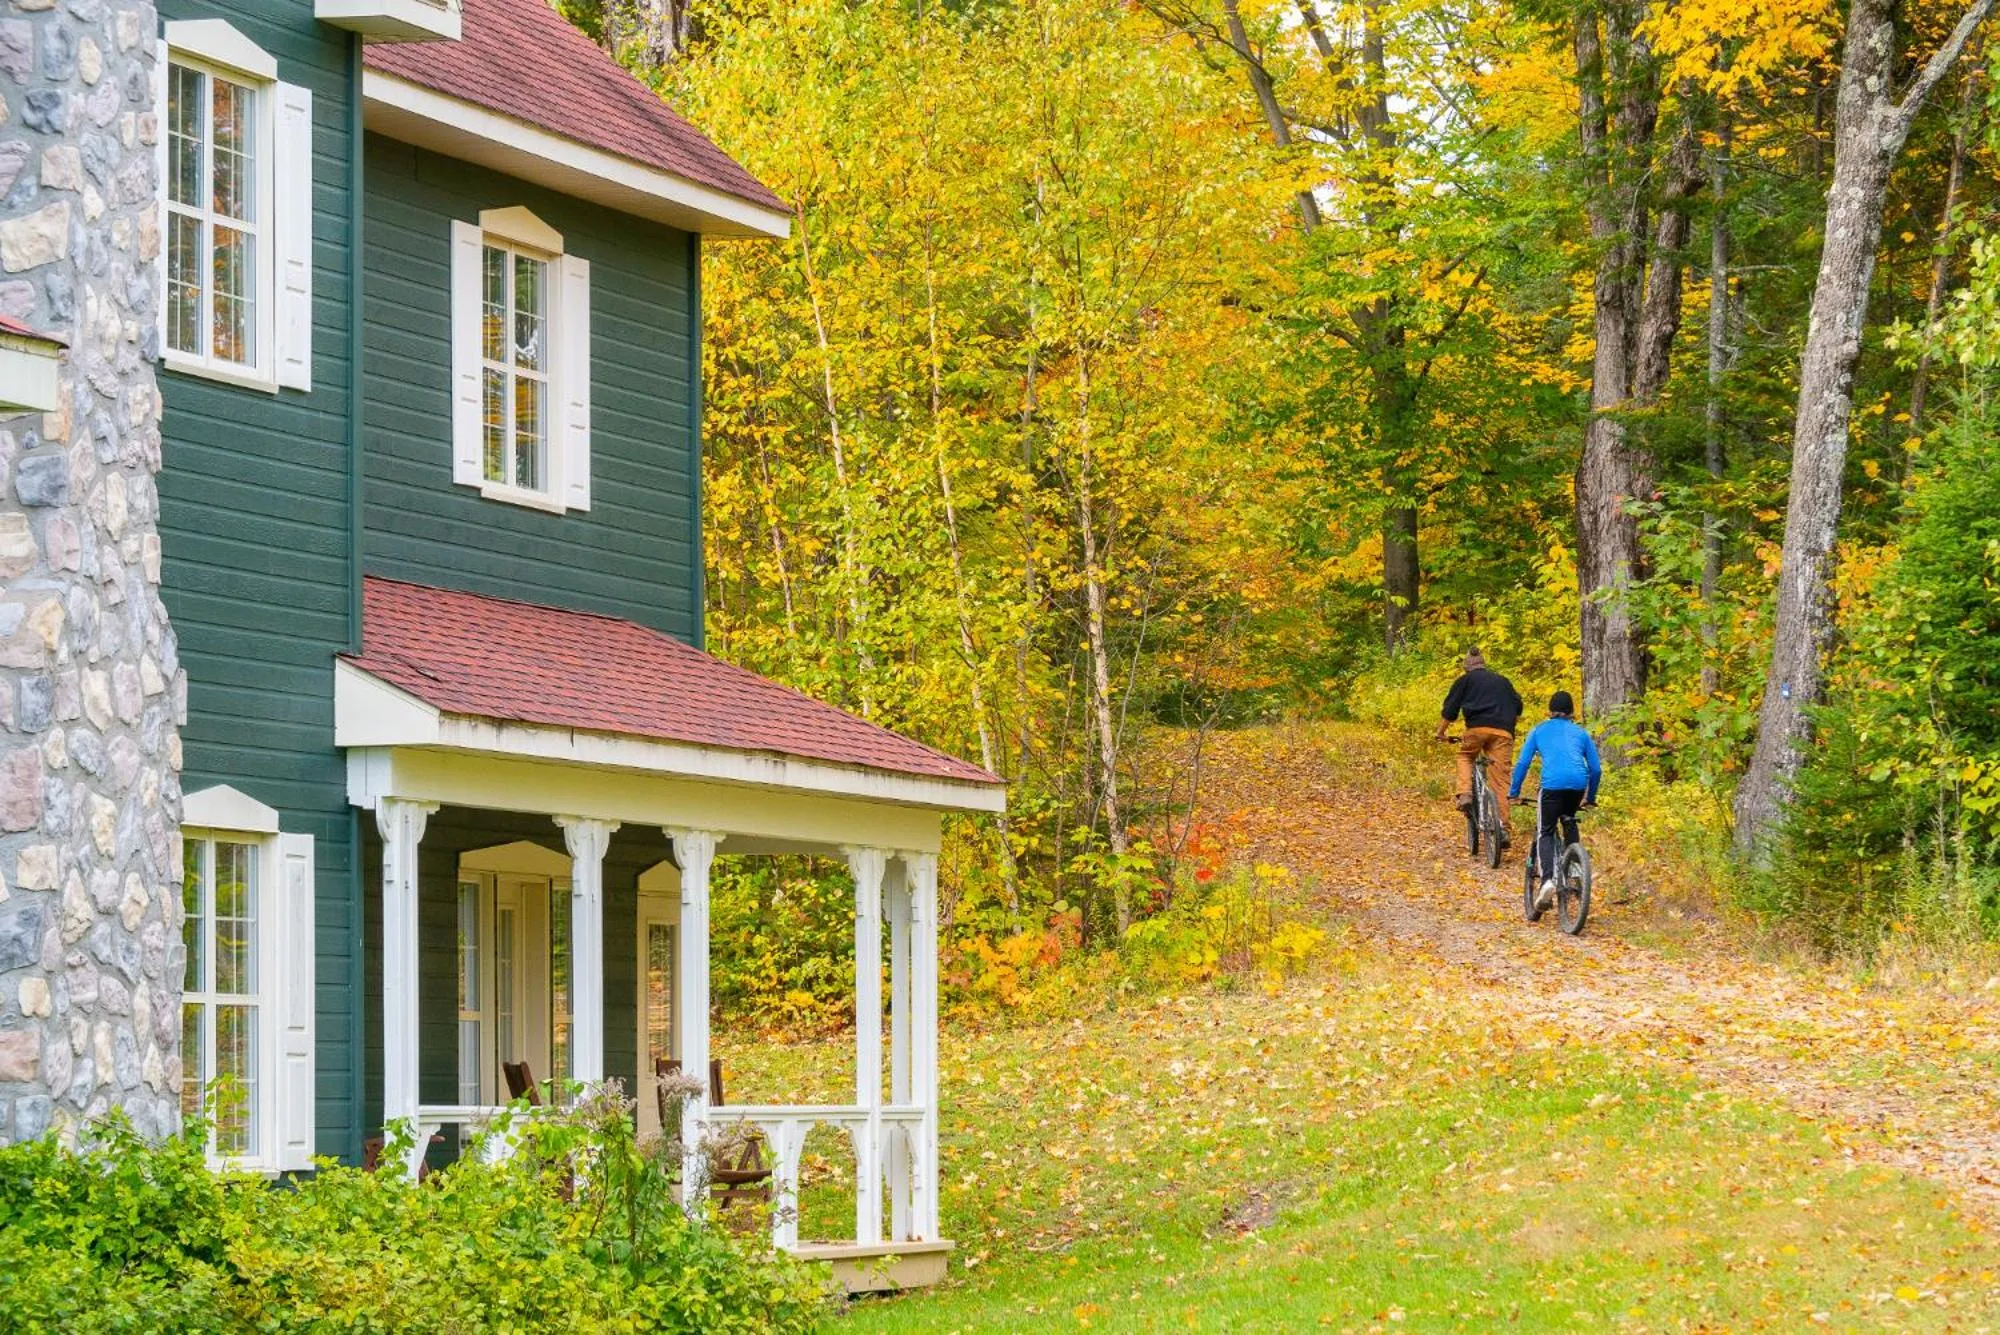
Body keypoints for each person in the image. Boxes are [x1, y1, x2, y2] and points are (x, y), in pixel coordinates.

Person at [1508, 690, 1603, 910]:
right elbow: (1596, 770)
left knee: (1546, 831)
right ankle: (1575, 868)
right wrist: (1589, 797)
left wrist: (1513, 792)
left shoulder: (1538, 730)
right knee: (1568, 819)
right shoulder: (1581, 733)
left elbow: (1522, 764)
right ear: (1572, 713)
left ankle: (1547, 881)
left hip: (1551, 786)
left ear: (1549, 711)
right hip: (1577, 785)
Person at [1434, 648, 1524, 832]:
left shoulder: (1465, 681)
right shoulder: (1503, 681)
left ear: (1467, 667)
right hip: (1504, 733)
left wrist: (1440, 733)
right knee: (1500, 780)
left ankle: (1465, 794)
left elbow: (1450, 710)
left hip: (1476, 729)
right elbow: (1518, 707)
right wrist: (1507, 726)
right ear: (1483, 664)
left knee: (1465, 757)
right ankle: (1503, 829)